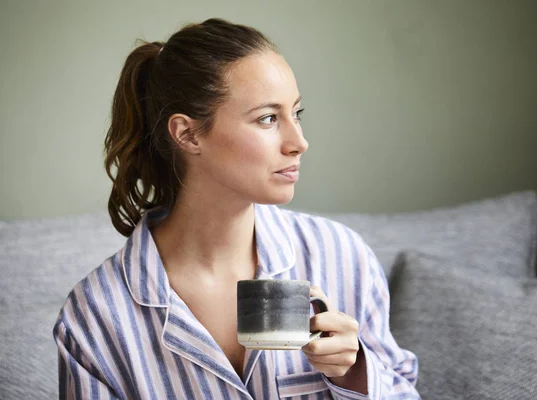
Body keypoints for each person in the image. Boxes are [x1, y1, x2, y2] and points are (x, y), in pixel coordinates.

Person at [53, 18, 420, 399]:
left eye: (296, 113)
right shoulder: (94, 317)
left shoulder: (342, 256)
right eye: (267, 118)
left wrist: (354, 373)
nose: (299, 142)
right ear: (187, 134)